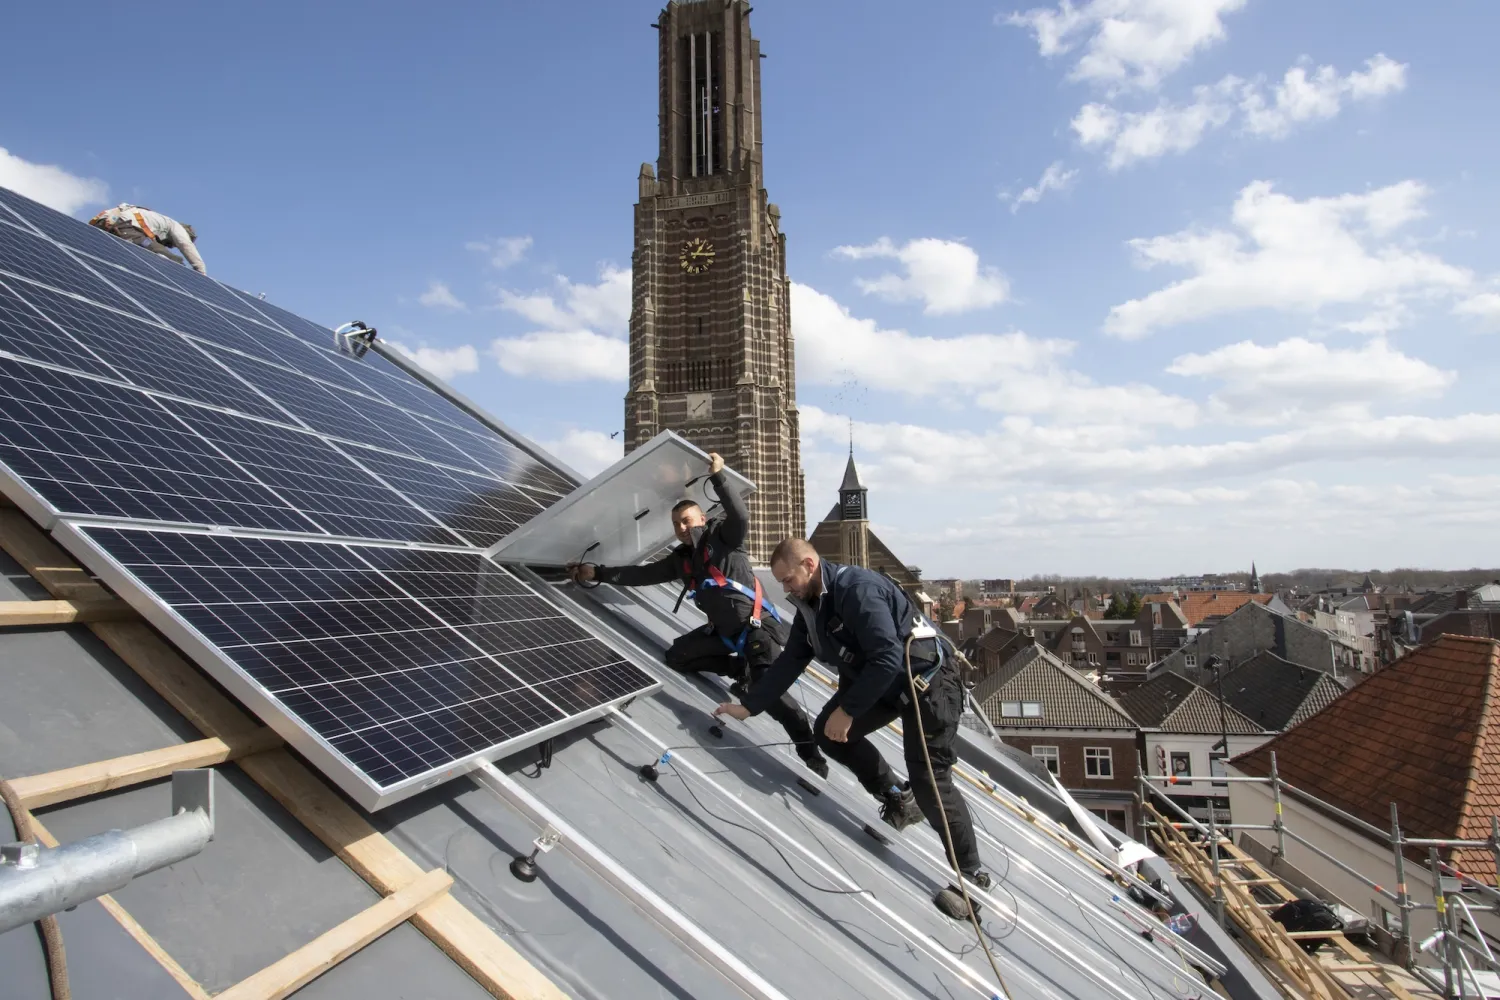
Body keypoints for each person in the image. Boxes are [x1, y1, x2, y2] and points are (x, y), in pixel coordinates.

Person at [714, 538, 991, 920]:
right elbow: (790, 662)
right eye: (781, 582)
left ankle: (972, 880)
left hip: (927, 685)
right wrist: (749, 706)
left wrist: (848, 709)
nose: (785, 588)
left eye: (789, 579)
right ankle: (897, 796)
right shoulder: (811, 608)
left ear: (809, 566)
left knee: (930, 779)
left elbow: (888, 655)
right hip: (884, 683)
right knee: (830, 734)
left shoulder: (856, 591)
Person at [568, 453, 828, 778]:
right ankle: (738, 667)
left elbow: (741, 516)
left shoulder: (723, 539)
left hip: (760, 629)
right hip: (724, 634)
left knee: (767, 686)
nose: (681, 528)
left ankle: (808, 747)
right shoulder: (681, 560)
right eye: (677, 524)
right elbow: (639, 575)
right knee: (677, 656)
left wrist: (719, 477)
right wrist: (597, 573)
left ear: (702, 518)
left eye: (687, 521)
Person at [88, 204, 206, 274]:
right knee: (174, 261)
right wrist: (200, 271)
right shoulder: (176, 226)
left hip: (103, 223)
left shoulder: (157, 223)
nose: (173, 246)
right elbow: (186, 245)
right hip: (124, 226)